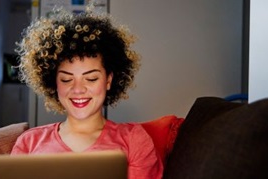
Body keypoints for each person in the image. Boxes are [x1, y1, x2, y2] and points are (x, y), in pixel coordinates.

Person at [11, 5, 163, 179]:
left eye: (91, 79)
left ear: (108, 81)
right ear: (54, 83)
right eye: (66, 80)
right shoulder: (29, 142)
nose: (78, 89)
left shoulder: (134, 139)